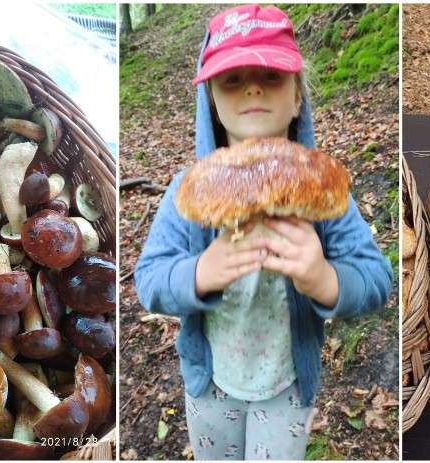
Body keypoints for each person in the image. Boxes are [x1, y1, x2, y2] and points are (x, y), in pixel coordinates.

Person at [134, 4, 393, 460]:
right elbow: (149, 279)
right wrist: (198, 273)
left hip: (287, 386)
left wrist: (324, 280)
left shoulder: (320, 188)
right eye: (232, 79)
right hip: (210, 382)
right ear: (211, 98)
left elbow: (376, 279)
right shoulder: (189, 191)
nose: (253, 86)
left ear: (298, 96)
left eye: (272, 74)